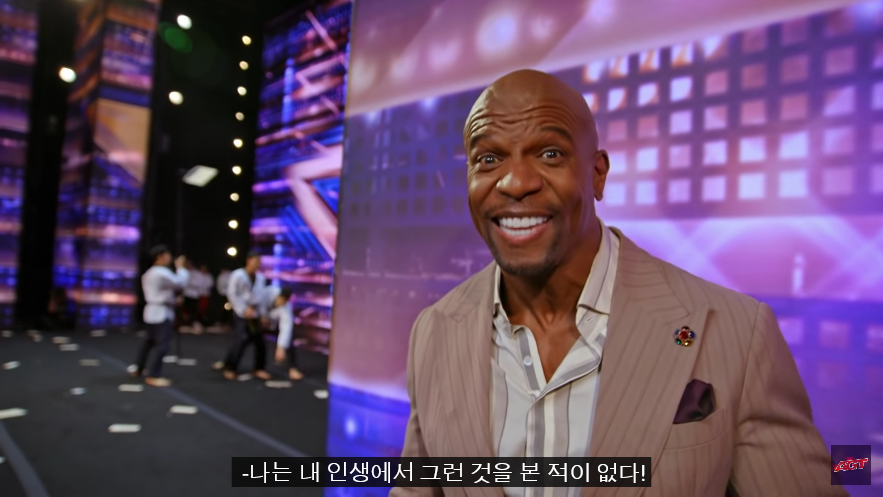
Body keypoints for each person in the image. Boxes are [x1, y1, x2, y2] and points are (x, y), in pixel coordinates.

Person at [391, 70, 845, 496]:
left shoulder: (738, 333)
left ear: (598, 174)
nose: (515, 182)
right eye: (488, 159)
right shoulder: (434, 331)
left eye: (549, 153)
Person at [134, 245, 188, 388]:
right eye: (167, 255)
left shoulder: (149, 273)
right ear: (160, 257)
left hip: (151, 310)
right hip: (160, 312)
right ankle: (154, 374)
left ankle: (139, 368)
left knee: (149, 342)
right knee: (163, 344)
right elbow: (179, 283)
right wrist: (181, 268)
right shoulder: (161, 272)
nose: (169, 258)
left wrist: (174, 301)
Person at [222, 251, 271, 381]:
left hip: (255, 312)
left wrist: (262, 314)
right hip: (241, 312)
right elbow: (232, 294)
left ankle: (259, 368)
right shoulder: (237, 275)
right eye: (255, 261)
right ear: (248, 261)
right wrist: (243, 310)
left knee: (260, 341)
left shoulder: (260, 278)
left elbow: (261, 297)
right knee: (241, 339)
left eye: (259, 262)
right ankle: (230, 367)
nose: (257, 264)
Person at [267, 286, 305, 381]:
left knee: (289, 339)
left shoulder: (286, 307)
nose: (282, 303)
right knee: (244, 337)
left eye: (285, 301)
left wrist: (281, 347)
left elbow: (286, 327)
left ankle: (292, 368)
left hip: (271, 323)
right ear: (278, 296)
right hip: (255, 317)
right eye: (282, 300)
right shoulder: (266, 294)